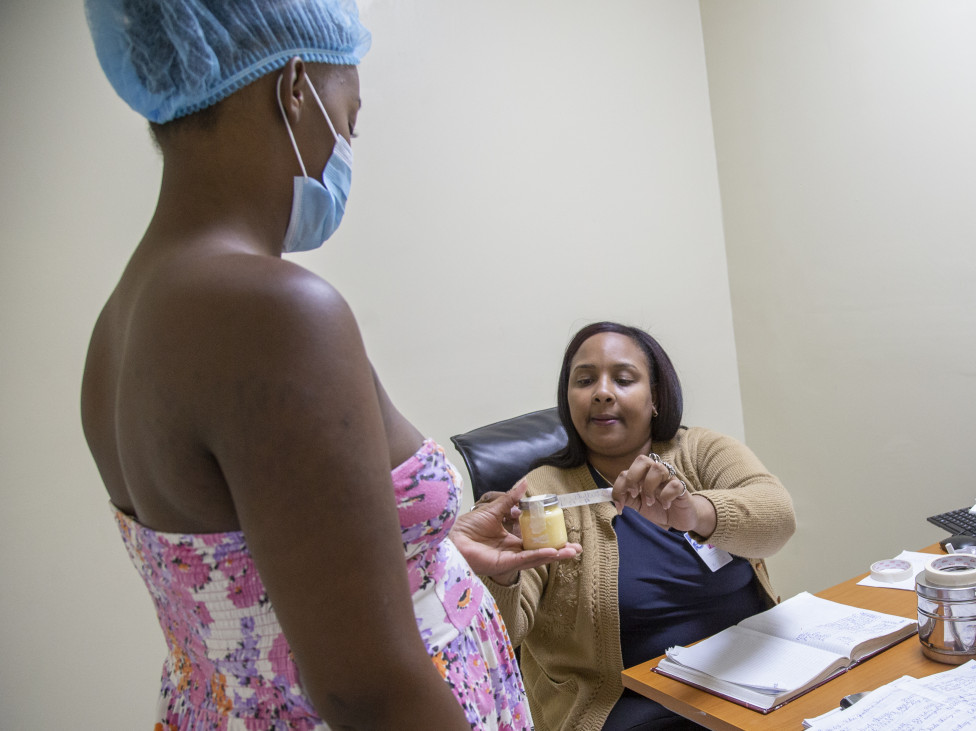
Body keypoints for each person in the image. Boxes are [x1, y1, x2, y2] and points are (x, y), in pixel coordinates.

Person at [80, 1, 576, 728]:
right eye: (349, 119)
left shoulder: (121, 322)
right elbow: (365, 691)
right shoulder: (271, 313)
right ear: (294, 87)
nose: (345, 145)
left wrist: (429, 560)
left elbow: (255, 590)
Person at [456, 322, 797, 731]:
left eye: (623, 379)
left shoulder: (701, 451)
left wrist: (694, 514)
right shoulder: (540, 494)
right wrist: (500, 575)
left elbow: (779, 518)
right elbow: (501, 637)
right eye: (585, 380)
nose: (602, 392)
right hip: (630, 708)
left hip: (756, 677)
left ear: (656, 398)